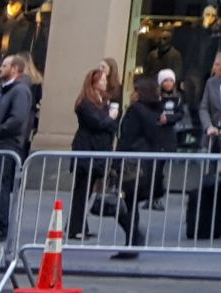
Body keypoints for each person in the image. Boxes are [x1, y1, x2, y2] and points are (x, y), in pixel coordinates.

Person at [110, 74, 174, 259]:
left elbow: (126, 138)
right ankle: (132, 240)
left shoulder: (136, 111)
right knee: (130, 203)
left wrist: (115, 162)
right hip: (146, 164)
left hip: (132, 163)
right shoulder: (156, 111)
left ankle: (134, 238)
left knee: (124, 203)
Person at [0, 54, 34, 242]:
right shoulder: (6, 90)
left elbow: (17, 119)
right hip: (0, 144)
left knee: (0, 186)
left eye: (4, 65)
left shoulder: (20, 91)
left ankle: (0, 226)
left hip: (7, 144)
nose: (0, 69)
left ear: (14, 69)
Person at [70, 63, 120, 238]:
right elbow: (99, 123)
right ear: (94, 83)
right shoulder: (85, 103)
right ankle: (75, 228)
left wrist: (110, 120)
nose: (105, 83)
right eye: (103, 80)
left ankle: (80, 226)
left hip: (98, 150)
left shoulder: (102, 101)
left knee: (88, 190)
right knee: (82, 190)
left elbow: (109, 126)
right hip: (87, 150)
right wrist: (111, 117)